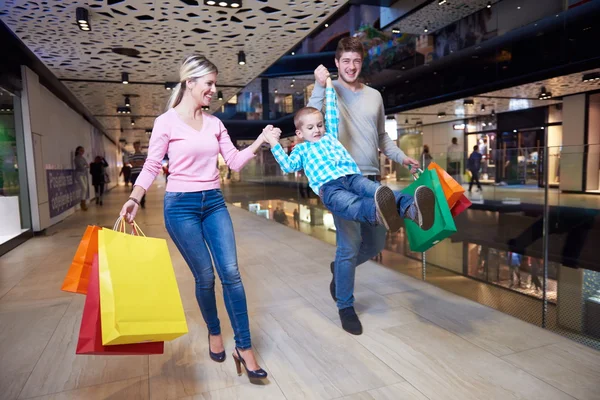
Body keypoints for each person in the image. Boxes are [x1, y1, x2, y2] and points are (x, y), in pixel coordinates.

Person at [120, 55, 274, 382]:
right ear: (190, 83)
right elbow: (151, 165)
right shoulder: (166, 122)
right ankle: (214, 332)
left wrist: (260, 141)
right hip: (180, 208)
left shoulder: (215, 123)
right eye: (209, 83)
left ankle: (244, 347)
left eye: (214, 84)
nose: (213, 90)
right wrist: (135, 196)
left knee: (231, 272)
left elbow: (233, 162)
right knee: (205, 277)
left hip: (214, 202)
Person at [306, 37, 421, 335]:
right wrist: (320, 85)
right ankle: (345, 305)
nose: (351, 66)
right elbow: (309, 120)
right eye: (346, 61)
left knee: (375, 243)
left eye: (356, 61)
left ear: (361, 62)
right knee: (349, 246)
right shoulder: (330, 91)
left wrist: (401, 157)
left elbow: (382, 137)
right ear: (337, 63)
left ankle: (339, 272)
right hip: (341, 179)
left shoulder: (374, 96)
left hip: (371, 178)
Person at [264, 78, 435, 234]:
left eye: (319, 125)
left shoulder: (330, 135)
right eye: (310, 128)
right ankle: (380, 214)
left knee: (381, 191)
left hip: (353, 177)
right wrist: (273, 143)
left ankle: (414, 210)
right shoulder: (301, 150)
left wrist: (329, 86)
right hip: (329, 187)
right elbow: (287, 166)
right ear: (299, 133)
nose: (317, 130)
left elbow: (331, 110)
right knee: (351, 204)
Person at [129, 141, 147, 208]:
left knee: (142, 188)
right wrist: (140, 162)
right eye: (135, 146)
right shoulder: (131, 155)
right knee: (134, 188)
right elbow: (132, 164)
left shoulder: (144, 154)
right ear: (134, 146)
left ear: (140, 146)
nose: (137, 147)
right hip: (134, 174)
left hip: (141, 174)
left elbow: (144, 162)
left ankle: (142, 201)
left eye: (138, 146)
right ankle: (134, 201)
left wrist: (136, 162)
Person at [73, 146, 88, 211]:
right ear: (78, 151)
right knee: (84, 188)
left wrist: (85, 166)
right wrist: (85, 166)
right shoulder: (76, 158)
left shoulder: (83, 158)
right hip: (79, 174)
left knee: (85, 189)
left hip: (84, 174)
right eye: (81, 150)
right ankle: (82, 203)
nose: (82, 152)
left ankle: (83, 203)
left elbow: (87, 165)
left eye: (83, 150)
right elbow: (82, 167)